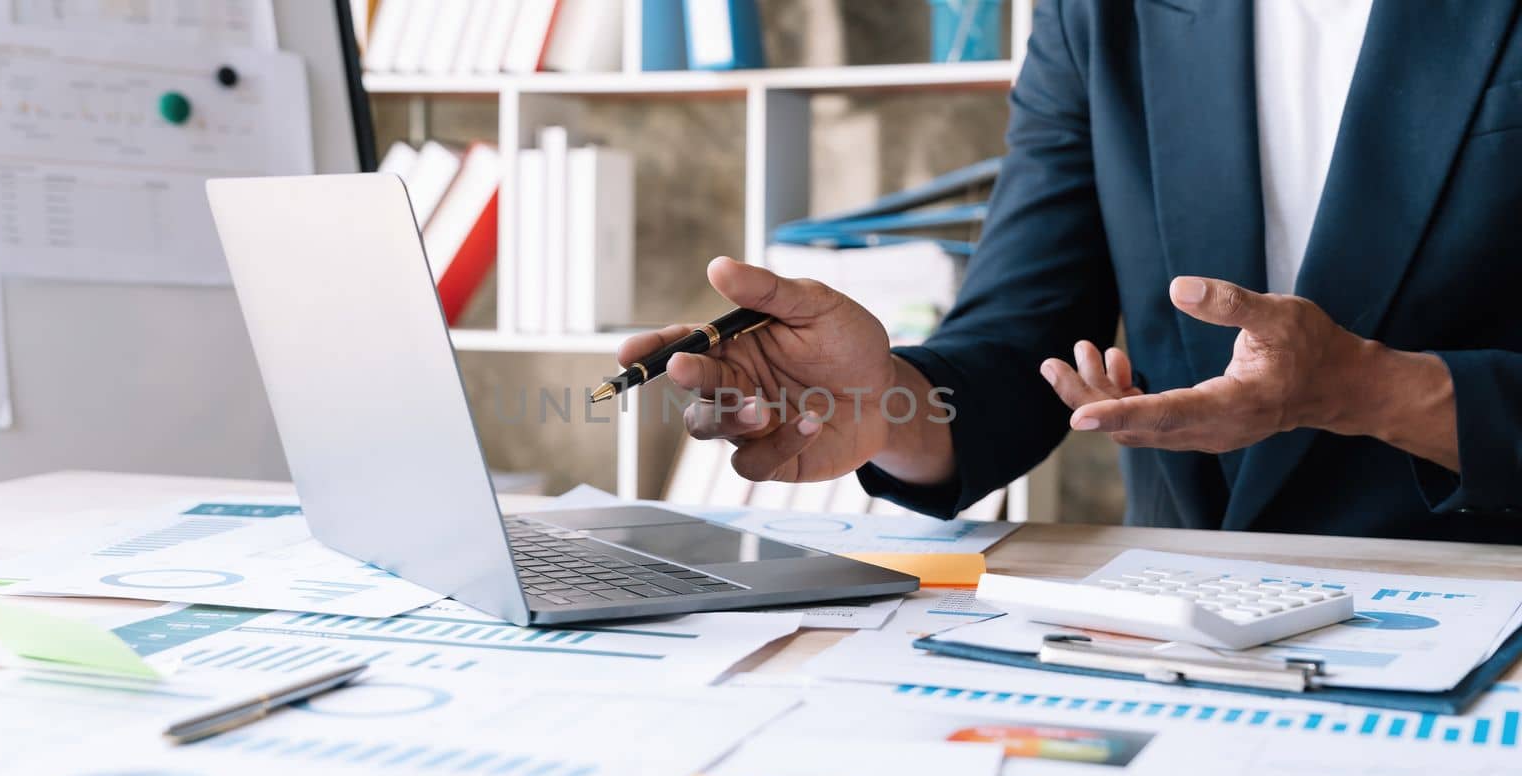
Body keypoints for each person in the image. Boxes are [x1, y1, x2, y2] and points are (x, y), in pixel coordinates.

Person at [617, 0, 1522, 543]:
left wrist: (1369, 391)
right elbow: (1021, 341)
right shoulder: (1099, 11)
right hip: (1189, 620)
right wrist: (887, 400)